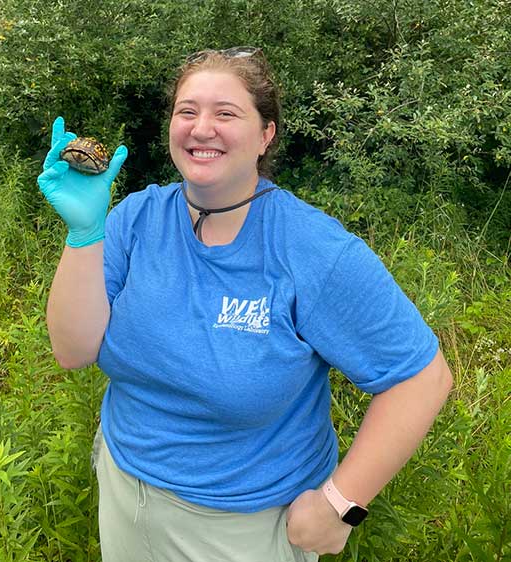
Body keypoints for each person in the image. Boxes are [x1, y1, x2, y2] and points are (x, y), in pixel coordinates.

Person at [38, 47, 453, 562]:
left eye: (226, 113)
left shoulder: (312, 250)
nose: (201, 128)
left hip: (245, 528)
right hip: (124, 490)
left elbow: (422, 378)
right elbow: (74, 351)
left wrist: (339, 503)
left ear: (265, 135)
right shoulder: (136, 218)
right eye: (186, 111)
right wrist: (84, 233)